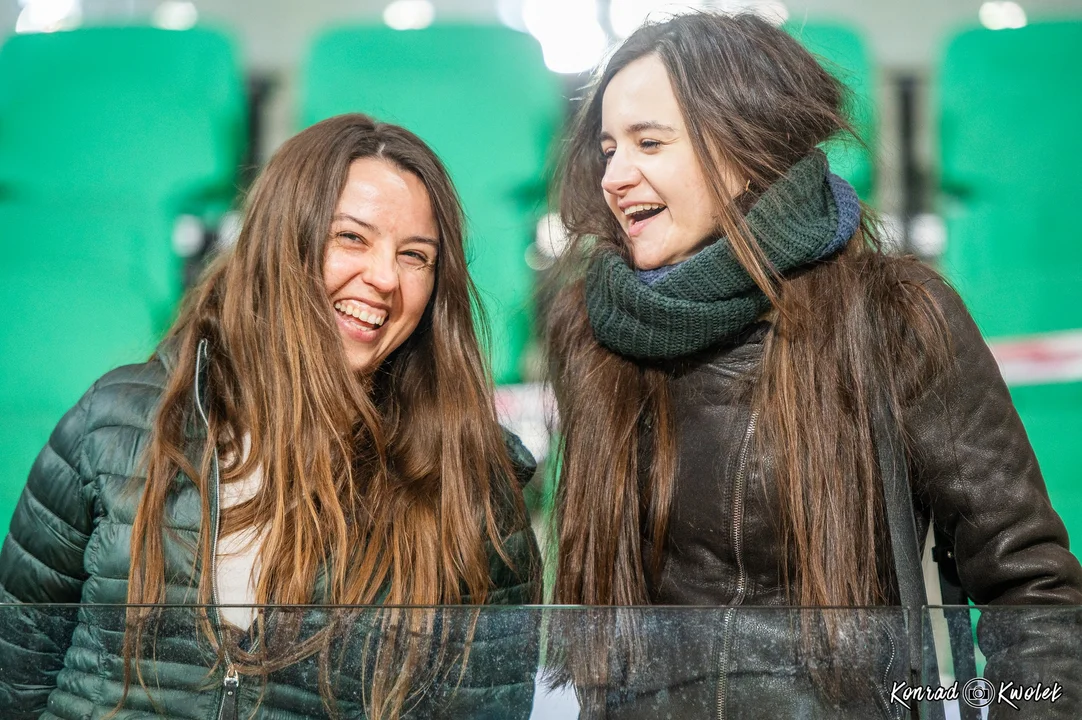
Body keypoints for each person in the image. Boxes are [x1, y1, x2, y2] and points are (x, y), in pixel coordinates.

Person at [543, 11, 1082, 719]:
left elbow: (1032, 593)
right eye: (609, 148)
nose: (615, 176)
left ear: (746, 151)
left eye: (650, 142)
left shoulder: (894, 315)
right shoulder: (592, 330)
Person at [0, 113, 541, 719]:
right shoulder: (112, 425)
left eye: (415, 256)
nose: (386, 278)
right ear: (280, 244)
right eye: (352, 238)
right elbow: (15, 680)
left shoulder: (470, 487)